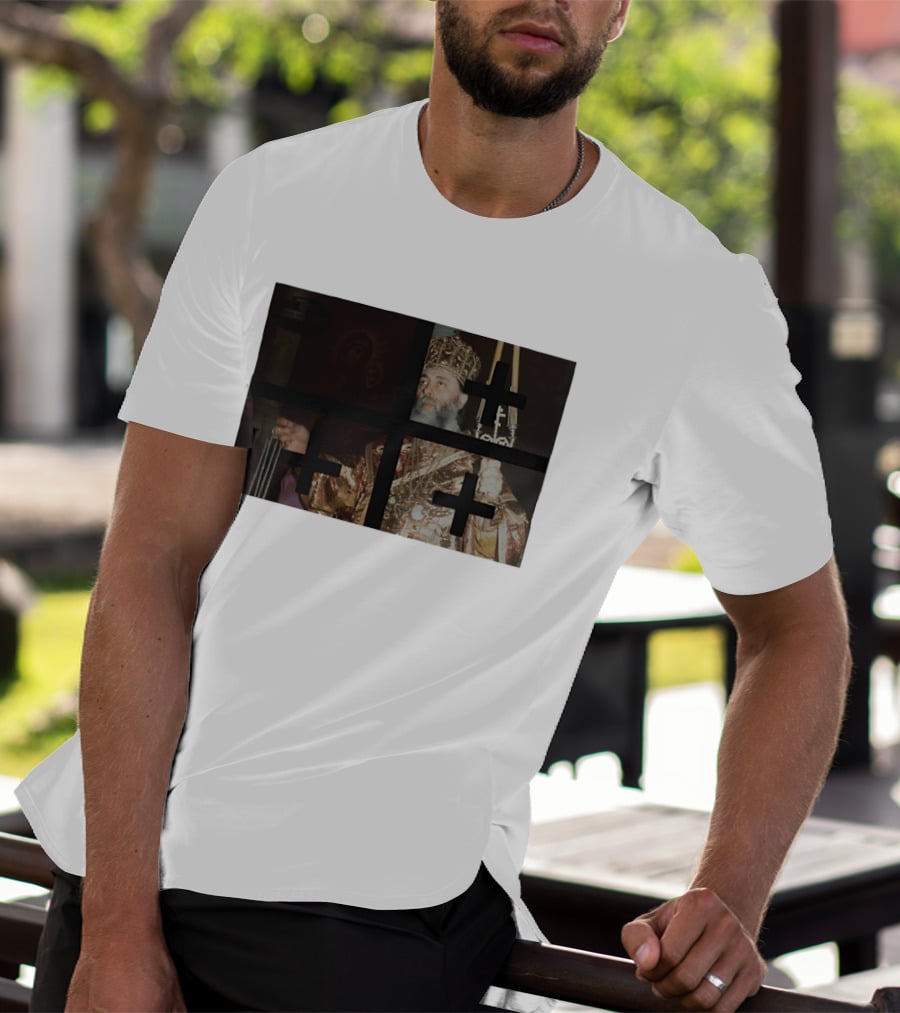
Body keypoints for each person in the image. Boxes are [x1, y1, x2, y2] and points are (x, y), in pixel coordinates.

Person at [16, 1, 851, 1011]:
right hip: (123, 882)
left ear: (621, 10)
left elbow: (800, 629)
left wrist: (730, 890)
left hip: (368, 925)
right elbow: (148, 565)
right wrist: (114, 925)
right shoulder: (273, 202)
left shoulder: (690, 299)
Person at [272, 333, 530, 565]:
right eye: (423, 381)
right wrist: (307, 452)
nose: (427, 389)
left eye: (441, 383)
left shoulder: (477, 464)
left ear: (462, 400)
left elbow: (510, 539)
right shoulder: (384, 450)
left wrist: (488, 507)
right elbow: (346, 492)